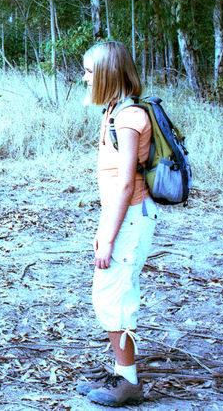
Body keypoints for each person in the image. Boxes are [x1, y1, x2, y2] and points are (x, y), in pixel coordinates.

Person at [77, 41, 159, 407]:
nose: (84, 78)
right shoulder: (114, 110)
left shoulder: (127, 117)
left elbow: (127, 182)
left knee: (115, 295)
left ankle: (128, 381)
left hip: (130, 218)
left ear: (108, 76)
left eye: (90, 72)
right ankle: (119, 370)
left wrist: (108, 237)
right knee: (108, 294)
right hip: (120, 217)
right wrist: (104, 227)